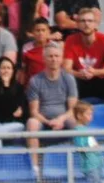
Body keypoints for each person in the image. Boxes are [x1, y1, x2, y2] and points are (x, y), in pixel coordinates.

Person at [25, 43, 77, 172]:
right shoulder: (35, 81)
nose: (54, 59)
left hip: (64, 119)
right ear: (44, 59)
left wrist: (60, 120)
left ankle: (86, 164)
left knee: (78, 122)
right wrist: (49, 122)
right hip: (43, 120)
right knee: (31, 123)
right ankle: (35, 167)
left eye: (57, 56)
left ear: (61, 58)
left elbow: (72, 109)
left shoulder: (69, 79)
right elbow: (34, 111)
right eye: (50, 56)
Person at [62, 7, 104, 106]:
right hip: (80, 81)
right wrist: (78, 73)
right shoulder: (70, 40)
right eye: (83, 21)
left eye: (90, 21)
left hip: (99, 80)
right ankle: (70, 115)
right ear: (77, 24)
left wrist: (95, 72)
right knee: (68, 80)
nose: (86, 24)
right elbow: (65, 68)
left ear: (95, 24)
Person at [0, 55, 26, 147]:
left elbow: (19, 112)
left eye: (9, 68)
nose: (6, 71)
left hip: (14, 125)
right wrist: (10, 110)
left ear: (13, 71)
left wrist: (6, 88)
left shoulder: (19, 88)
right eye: (3, 68)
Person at [71, 100, 104, 183]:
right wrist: (93, 148)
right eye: (88, 114)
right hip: (90, 165)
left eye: (91, 114)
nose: (91, 117)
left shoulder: (85, 129)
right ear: (79, 115)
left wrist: (99, 155)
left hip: (97, 163)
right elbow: (81, 147)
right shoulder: (78, 130)